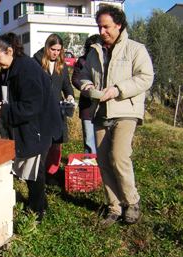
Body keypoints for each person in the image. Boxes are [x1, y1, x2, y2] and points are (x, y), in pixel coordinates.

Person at [79, 5, 154, 227]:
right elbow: (82, 74)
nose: (102, 31)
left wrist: (118, 89)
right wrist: (87, 85)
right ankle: (114, 206)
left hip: (125, 110)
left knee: (119, 156)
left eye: (106, 26)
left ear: (119, 25)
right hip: (100, 111)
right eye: (99, 27)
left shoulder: (135, 49)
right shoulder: (94, 51)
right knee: (102, 160)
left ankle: (132, 202)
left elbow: (145, 77)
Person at [0, 33, 63, 222]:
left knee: (34, 171)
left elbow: (31, 106)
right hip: (26, 126)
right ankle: (41, 205)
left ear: (10, 51)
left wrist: (3, 112)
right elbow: (1, 86)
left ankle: (36, 213)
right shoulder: (9, 68)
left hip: (39, 126)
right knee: (30, 170)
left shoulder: (27, 70)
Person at [33, 33, 74, 174]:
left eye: (58, 50)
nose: (56, 53)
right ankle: (39, 172)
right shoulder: (35, 62)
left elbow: (67, 85)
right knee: (43, 143)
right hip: (41, 110)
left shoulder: (61, 64)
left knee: (56, 143)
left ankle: (52, 172)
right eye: (53, 49)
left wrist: (69, 96)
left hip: (58, 110)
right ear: (47, 48)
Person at [72, 34, 100, 154]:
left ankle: (102, 168)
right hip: (87, 107)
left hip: (103, 107)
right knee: (89, 139)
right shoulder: (82, 61)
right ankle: (90, 166)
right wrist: (86, 87)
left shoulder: (106, 61)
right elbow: (75, 78)